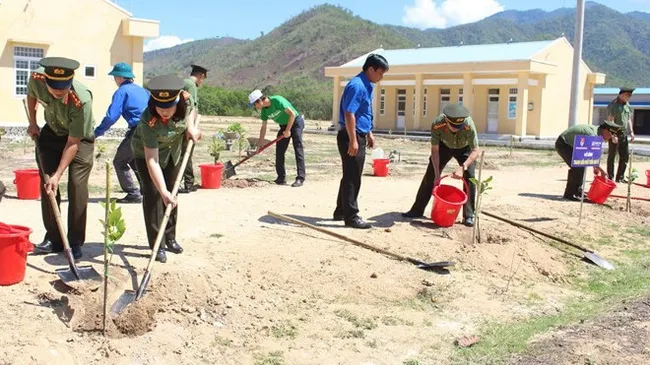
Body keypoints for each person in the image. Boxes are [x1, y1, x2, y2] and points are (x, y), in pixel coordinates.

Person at [26, 57, 95, 260]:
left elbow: (73, 142)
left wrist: (58, 173)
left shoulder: (81, 99)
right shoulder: (37, 79)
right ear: (45, 80)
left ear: (70, 82)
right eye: (53, 88)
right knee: (47, 184)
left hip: (79, 139)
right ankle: (54, 239)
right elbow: (31, 94)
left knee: (76, 184)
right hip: (52, 131)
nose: (57, 92)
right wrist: (33, 121)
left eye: (63, 88)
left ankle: (74, 242)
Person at [130, 75, 201, 263]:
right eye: (160, 107)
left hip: (173, 151)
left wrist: (191, 127)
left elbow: (192, 111)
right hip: (147, 154)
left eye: (169, 107)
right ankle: (157, 244)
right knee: (155, 196)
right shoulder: (148, 120)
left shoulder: (186, 100)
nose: (164, 112)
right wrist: (162, 191)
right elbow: (151, 160)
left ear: (177, 101)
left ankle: (170, 238)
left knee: (172, 193)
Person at [333, 53, 389, 229]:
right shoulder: (357, 85)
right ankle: (351, 217)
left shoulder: (368, 85)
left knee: (349, 175)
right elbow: (349, 113)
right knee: (353, 177)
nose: (381, 77)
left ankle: (341, 211)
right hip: (351, 135)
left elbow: (362, 112)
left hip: (359, 133)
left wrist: (369, 132)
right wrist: (353, 140)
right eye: (380, 73)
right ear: (371, 69)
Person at [402, 104, 480, 227]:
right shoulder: (438, 124)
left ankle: (469, 215)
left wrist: (462, 167)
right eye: (453, 126)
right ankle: (417, 210)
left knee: (470, 177)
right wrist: (437, 175)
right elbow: (435, 151)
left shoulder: (468, 125)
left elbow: (476, 150)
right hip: (444, 147)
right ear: (447, 121)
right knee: (431, 175)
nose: (456, 129)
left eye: (459, 127)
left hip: (465, 149)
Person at [93, 62, 150, 204]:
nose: (114, 80)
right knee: (133, 159)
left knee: (119, 161)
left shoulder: (121, 92)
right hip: (150, 129)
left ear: (119, 78)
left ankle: (133, 193)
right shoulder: (143, 90)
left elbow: (112, 116)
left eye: (115, 77)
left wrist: (97, 132)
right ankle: (147, 189)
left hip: (138, 130)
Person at [248, 90, 306, 187]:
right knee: (279, 151)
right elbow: (263, 127)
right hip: (283, 126)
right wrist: (259, 145)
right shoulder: (264, 111)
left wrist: (288, 131)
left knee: (298, 148)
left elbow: (292, 114)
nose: (255, 107)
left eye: (254, 105)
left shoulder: (277, 100)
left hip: (296, 122)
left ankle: (300, 178)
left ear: (259, 101)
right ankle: (281, 178)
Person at [555, 121, 622, 201]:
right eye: (611, 135)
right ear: (606, 131)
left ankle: (577, 191)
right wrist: (602, 171)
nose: (610, 138)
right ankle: (570, 193)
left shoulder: (597, 134)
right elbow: (589, 156)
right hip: (564, 144)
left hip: (573, 145)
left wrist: (596, 167)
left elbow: (593, 152)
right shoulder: (592, 135)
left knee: (580, 165)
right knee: (578, 165)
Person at [179, 64, 208, 194]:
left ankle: (182, 182)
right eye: (203, 79)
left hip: (179, 124)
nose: (202, 82)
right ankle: (188, 184)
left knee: (180, 154)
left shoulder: (183, 82)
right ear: (201, 76)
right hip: (186, 125)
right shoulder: (191, 86)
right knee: (186, 154)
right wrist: (193, 127)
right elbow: (192, 108)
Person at [606, 87, 635, 183]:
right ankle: (610, 177)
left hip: (623, 133)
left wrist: (631, 131)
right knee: (612, 156)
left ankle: (620, 177)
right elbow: (610, 121)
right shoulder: (614, 105)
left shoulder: (627, 105)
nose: (629, 98)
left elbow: (628, 119)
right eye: (628, 96)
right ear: (622, 95)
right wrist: (613, 135)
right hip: (614, 133)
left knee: (625, 156)